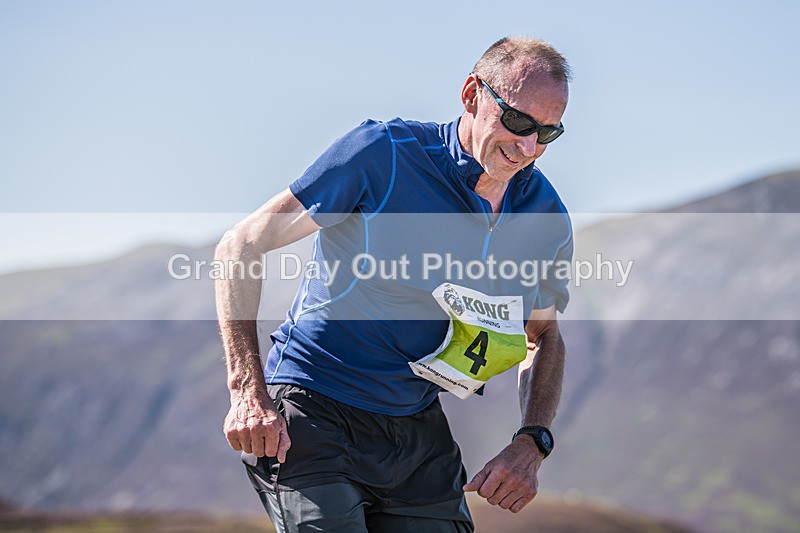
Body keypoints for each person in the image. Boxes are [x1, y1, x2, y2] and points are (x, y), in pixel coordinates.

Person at [216, 36, 573, 532]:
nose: (528, 148)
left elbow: (543, 338)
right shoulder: (383, 154)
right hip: (313, 409)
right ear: (472, 94)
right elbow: (240, 245)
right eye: (517, 122)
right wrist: (246, 390)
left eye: (547, 134)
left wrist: (532, 441)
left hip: (416, 429)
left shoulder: (545, 217)